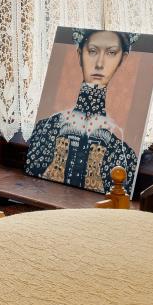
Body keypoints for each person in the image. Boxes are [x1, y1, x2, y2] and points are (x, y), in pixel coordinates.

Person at [24, 28, 140, 195]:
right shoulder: (45, 130)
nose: (100, 64)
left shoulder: (122, 151)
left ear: (123, 58)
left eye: (111, 53)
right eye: (92, 51)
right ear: (79, 54)